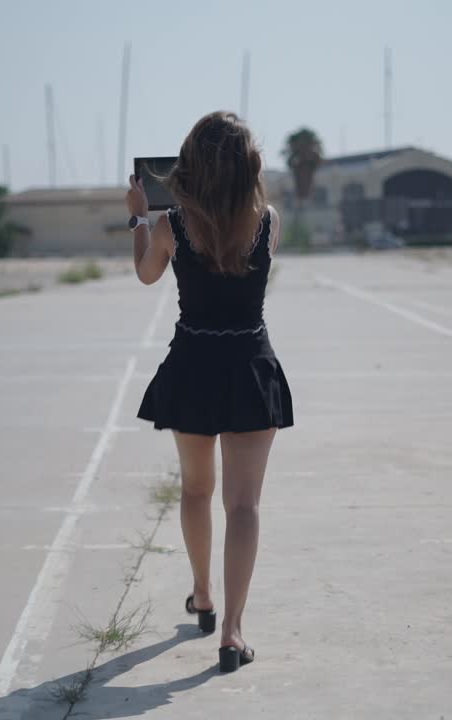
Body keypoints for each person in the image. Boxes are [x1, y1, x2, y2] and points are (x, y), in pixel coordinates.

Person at [126, 111, 294, 673]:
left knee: (197, 491)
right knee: (244, 505)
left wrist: (138, 218)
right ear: (249, 166)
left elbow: (146, 274)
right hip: (249, 365)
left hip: (193, 366)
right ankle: (232, 633)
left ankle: (202, 595)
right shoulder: (267, 222)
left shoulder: (172, 226)